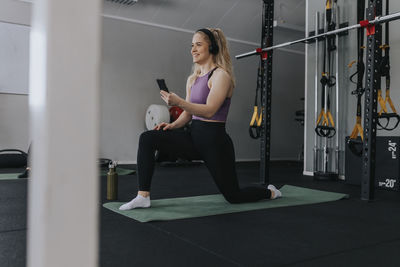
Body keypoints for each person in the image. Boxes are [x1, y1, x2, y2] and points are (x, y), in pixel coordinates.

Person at [119, 28, 281, 210]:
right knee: (148, 138)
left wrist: (179, 102)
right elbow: (188, 114)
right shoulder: (193, 79)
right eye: (192, 45)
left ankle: (270, 192)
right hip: (193, 137)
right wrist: (171, 125)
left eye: (198, 45)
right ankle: (143, 196)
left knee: (234, 196)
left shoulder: (221, 76)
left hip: (215, 142)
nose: (193, 49)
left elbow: (210, 110)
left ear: (211, 47)